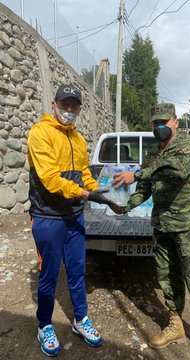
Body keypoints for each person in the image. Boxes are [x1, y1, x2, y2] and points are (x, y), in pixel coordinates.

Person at [110, 103, 190, 360]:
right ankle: (176, 325)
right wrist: (125, 206)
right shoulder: (152, 154)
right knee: (167, 277)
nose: (159, 127)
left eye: (163, 122)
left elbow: (175, 170)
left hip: (187, 228)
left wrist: (136, 174)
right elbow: (145, 188)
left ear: (175, 122)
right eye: (154, 123)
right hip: (162, 226)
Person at [27, 84, 103, 357]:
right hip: (48, 216)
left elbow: (84, 173)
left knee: (77, 270)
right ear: (54, 104)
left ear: (79, 109)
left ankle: (80, 320)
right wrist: (84, 192)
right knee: (48, 275)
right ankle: (44, 325)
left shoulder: (79, 139)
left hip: (74, 215)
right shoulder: (40, 133)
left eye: (74, 106)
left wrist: (99, 191)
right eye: (65, 104)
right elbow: (49, 178)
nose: (69, 110)